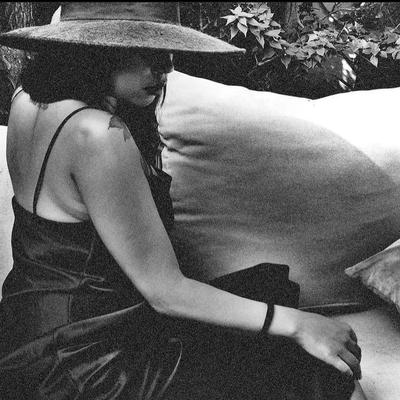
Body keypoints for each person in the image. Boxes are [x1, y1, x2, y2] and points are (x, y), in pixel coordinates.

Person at [0, 3, 366, 400]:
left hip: (28, 330)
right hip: (88, 361)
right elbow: (166, 291)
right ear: (95, 49)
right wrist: (299, 324)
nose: (166, 68)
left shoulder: (27, 99)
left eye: (168, 50)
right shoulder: (98, 134)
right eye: (147, 52)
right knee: (317, 365)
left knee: (268, 298)